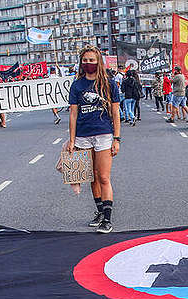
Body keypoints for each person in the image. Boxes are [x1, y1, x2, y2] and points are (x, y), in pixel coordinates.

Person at [65, 46, 121, 233]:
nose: (88, 63)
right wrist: (71, 140)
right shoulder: (77, 85)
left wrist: (117, 138)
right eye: (85, 60)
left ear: (99, 61)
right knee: (92, 177)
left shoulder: (109, 84)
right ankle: (99, 211)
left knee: (104, 176)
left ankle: (107, 218)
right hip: (82, 136)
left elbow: (115, 112)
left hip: (104, 135)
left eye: (92, 60)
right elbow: (73, 114)